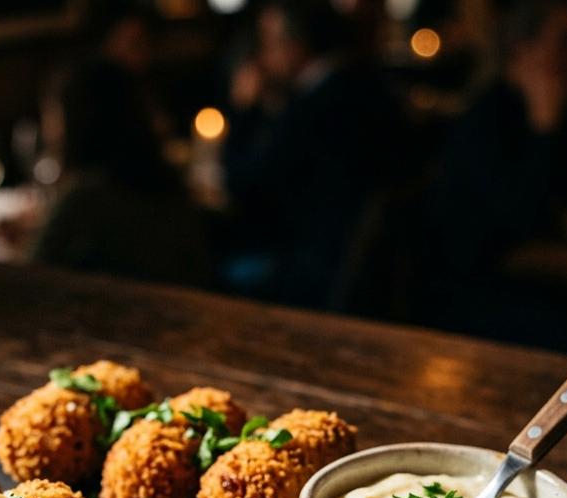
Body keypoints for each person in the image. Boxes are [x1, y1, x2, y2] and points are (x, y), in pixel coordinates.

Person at [422, 0, 567, 350]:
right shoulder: (486, 120)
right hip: (475, 298)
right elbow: (516, 228)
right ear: (522, 46)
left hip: (542, 287)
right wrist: (544, 129)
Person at [220, 0, 404, 310]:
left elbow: (243, 184)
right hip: (366, 271)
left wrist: (244, 111)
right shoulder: (366, 86)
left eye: (269, 43)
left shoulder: (313, 108)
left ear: (296, 45)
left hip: (311, 270)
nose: (263, 57)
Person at [30, 59, 210, 288]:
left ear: (74, 120)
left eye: (52, 113)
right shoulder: (168, 186)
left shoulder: (83, 201)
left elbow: (31, 277)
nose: (48, 129)